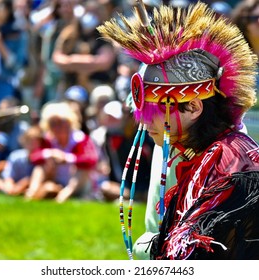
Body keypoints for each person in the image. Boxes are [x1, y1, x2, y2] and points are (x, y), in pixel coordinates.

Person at [98, 1, 259, 260]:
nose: (145, 123)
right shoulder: (182, 147)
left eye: (154, 112)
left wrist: (152, 246)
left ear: (194, 106)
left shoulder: (230, 163)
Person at [25, 101, 99, 202]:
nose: (57, 127)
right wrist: (50, 154)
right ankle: (31, 193)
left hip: (78, 184)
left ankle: (62, 197)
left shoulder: (80, 138)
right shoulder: (49, 139)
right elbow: (33, 157)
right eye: (52, 123)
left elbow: (91, 160)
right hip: (56, 179)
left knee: (81, 170)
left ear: (68, 122)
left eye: (60, 122)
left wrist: (67, 158)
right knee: (41, 167)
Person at [0, 125, 51, 195]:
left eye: (36, 142)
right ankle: (10, 192)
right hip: (10, 185)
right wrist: (12, 187)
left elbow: (33, 180)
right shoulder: (16, 156)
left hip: (29, 186)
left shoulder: (43, 158)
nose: (33, 145)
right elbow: (9, 178)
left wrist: (22, 185)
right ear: (24, 141)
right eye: (30, 141)